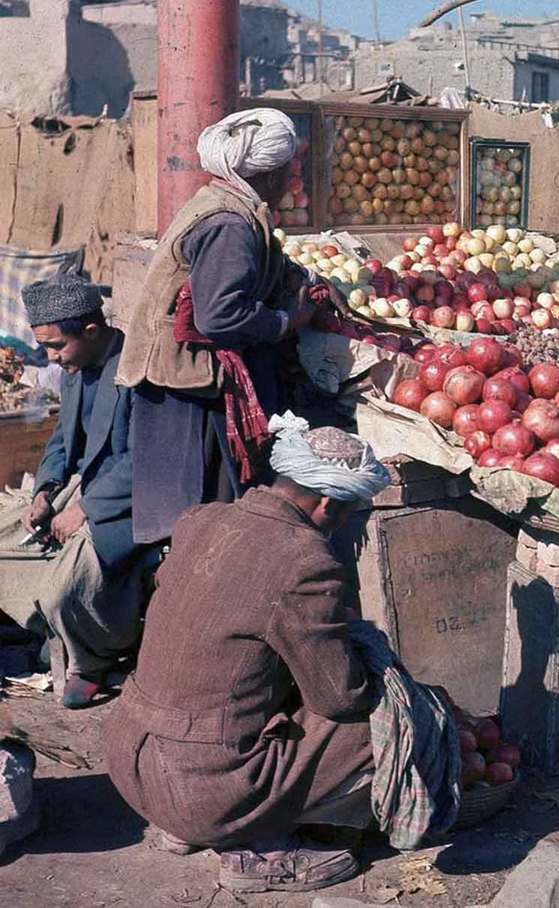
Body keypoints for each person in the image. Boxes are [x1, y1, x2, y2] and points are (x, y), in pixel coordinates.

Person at [104, 417, 393, 892]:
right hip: (202, 791)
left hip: (130, 762)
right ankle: (257, 847)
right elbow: (340, 699)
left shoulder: (201, 519)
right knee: (384, 723)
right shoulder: (308, 563)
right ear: (326, 504)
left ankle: (188, 824)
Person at [115, 108, 316, 548]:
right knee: (201, 517)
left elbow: (260, 265)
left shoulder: (229, 202)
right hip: (185, 383)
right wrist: (285, 321)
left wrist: (302, 279)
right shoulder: (228, 223)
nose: (291, 180)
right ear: (274, 174)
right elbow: (220, 315)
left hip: (188, 374)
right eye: (290, 169)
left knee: (201, 518)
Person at [0, 275, 150, 708]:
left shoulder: (136, 371)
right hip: (80, 491)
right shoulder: (74, 368)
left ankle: (93, 658)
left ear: (90, 331)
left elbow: (144, 463)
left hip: (129, 503)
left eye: (55, 347)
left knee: (64, 585)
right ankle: (48, 626)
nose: (49, 357)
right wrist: (45, 492)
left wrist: (85, 509)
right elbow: (62, 442)